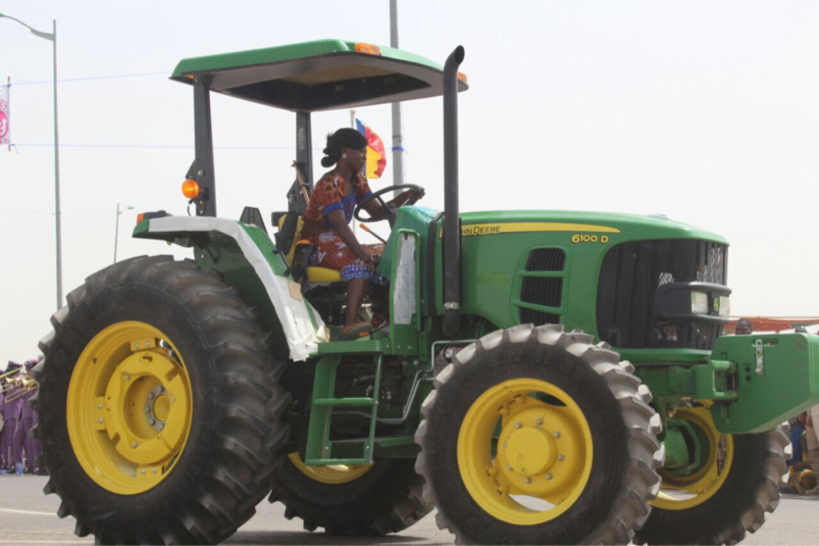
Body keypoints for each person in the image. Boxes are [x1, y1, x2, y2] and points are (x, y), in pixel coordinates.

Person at [302, 128, 421, 340]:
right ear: (346, 151)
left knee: (388, 253)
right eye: (362, 152)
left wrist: (406, 196)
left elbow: (377, 210)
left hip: (339, 241)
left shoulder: (357, 180)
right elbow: (338, 223)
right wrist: (362, 254)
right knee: (361, 262)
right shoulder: (328, 184)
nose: (365, 157)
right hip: (318, 243)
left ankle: (382, 318)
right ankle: (350, 324)